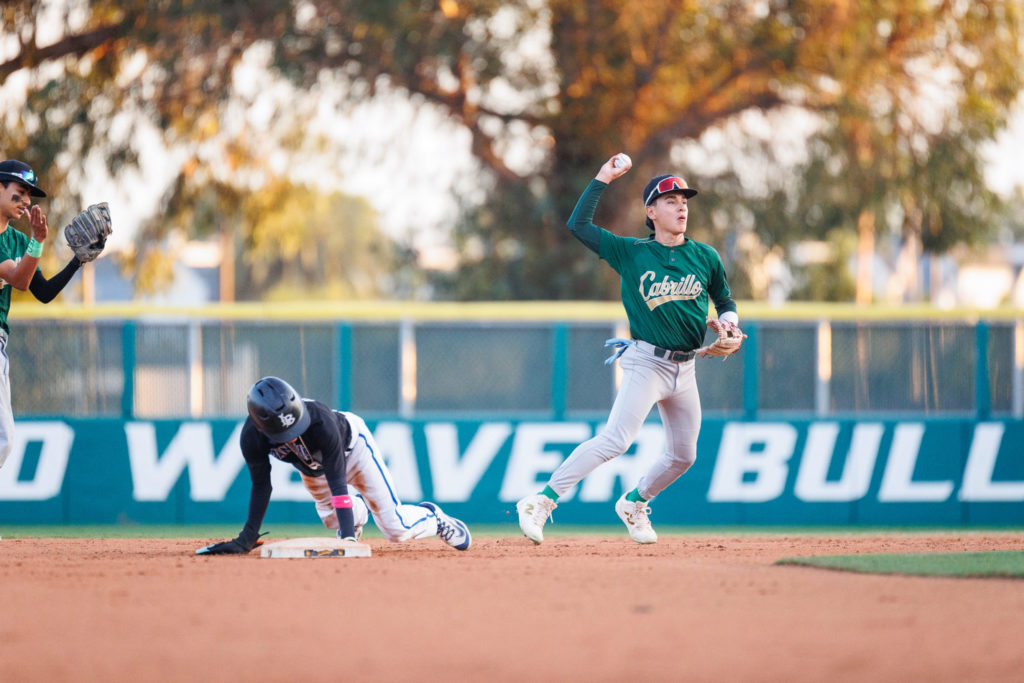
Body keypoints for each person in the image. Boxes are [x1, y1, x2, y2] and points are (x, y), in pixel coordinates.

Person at [516, 154, 743, 545]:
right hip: (646, 362)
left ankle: (635, 502)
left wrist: (731, 323)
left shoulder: (705, 256)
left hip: (686, 369)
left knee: (684, 455)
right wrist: (604, 176)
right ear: (651, 211)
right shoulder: (631, 252)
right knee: (616, 441)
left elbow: (724, 299)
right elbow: (578, 226)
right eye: (670, 201)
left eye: (684, 201)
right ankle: (542, 499)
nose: (680, 207)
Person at [196, 376, 472, 554]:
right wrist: (246, 539)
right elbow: (261, 486)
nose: (291, 436)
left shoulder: (320, 421)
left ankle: (434, 518)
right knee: (332, 519)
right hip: (312, 469)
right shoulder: (251, 438)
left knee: (395, 528)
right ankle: (355, 511)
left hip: (355, 451)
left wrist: (349, 538)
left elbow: (338, 479)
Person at [0, 159, 93, 469]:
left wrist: (77, 261)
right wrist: (38, 241)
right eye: (20, 191)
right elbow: (19, 280)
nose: (26, 201)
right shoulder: (24, 243)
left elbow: (43, 292)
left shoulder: (16, 241)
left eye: (30, 195)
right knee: (4, 440)